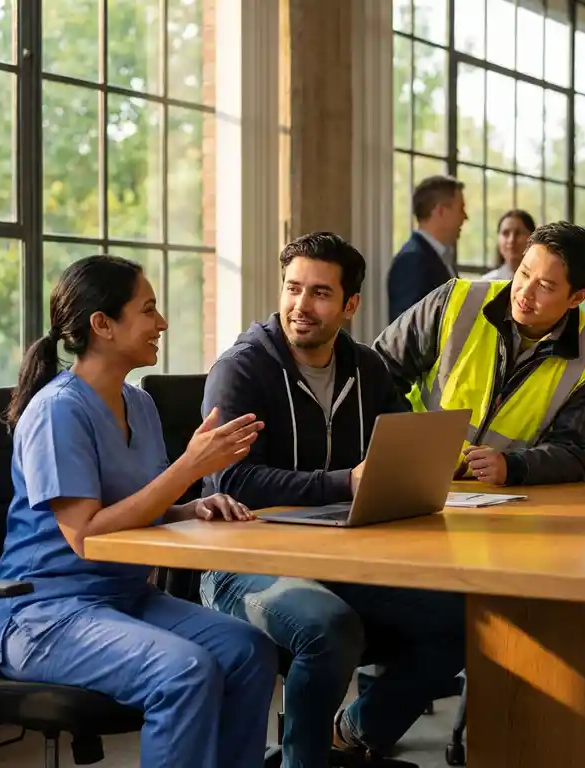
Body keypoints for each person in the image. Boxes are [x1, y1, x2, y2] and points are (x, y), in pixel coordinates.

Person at [0, 255, 276, 768]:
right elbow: (85, 533)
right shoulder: (58, 411)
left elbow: (143, 507)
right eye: (148, 310)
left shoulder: (139, 405)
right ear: (102, 325)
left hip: (124, 598)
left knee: (249, 651)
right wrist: (187, 469)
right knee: (184, 670)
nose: (162, 323)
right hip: (45, 616)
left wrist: (191, 504)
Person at [199, 233, 466, 767]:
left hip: (338, 558)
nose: (301, 306)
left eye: (320, 293)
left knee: (462, 620)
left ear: (350, 305)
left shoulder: (366, 369)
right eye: (293, 289)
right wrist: (344, 482)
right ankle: (307, 759)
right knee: (329, 628)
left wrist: (439, 461)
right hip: (241, 565)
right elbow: (232, 479)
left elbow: (399, 448)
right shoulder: (244, 368)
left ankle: (355, 730)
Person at [375, 221, 585, 486]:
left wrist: (513, 467)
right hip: (414, 475)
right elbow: (379, 370)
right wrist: (411, 442)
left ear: (577, 298)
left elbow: (577, 451)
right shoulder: (455, 301)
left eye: (545, 286)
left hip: (506, 500)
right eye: (524, 273)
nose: (525, 292)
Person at [387, 174, 467, 322]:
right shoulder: (411, 261)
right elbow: (408, 331)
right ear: (441, 211)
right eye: (461, 209)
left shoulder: (441, 257)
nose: (465, 217)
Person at [483, 209, 536, 281]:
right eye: (505, 233)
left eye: (519, 233)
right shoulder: (487, 282)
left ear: (532, 237)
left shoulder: (543, 281)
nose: (511, 240)